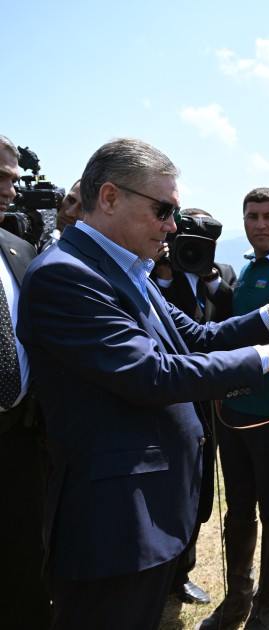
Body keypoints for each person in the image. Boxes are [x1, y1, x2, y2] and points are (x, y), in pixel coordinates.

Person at [16, 137, 269, 630]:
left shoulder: (126, 270)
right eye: (162, 210)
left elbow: (195, 338)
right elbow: (151, 375)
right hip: (114, 524)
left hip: (150, 515)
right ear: (110, 197)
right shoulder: (66, 277)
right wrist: (265, 359)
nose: (172, 227)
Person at [197, 187, 269, 630]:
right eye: (251, 216)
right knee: (238, 508)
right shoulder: (240, 272)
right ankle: (237, 599)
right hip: (232, 414)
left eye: (268, 216)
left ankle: (266, 604)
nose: (259, 224)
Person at [152, 207, 237, 605]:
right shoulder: (152, 275)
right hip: (162, 395)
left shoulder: (222, 273)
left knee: (199, 486)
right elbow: (175, 333)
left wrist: (210, 277)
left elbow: (227, 314)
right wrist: (167, 278)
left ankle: (182, 571)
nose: (194, 252)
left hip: (206, 401)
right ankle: (158, 572)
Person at [0, 135, 50, 629]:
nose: (10, 191)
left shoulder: (19, 250)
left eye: (13, 179)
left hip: (21, 438)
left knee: (23, 561)